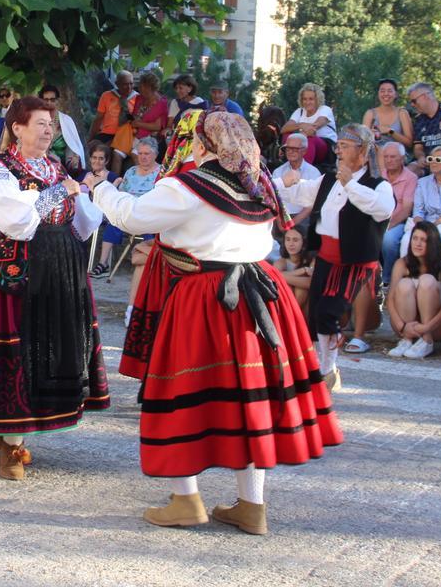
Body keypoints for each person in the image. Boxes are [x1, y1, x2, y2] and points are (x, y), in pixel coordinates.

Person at [87, 109, 341, 534]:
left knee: (181, 389)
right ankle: (252, 506)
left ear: (204, 144)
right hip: (260, 293)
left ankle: (186, 500)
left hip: (204, 294)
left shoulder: (188, 186)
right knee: (249, 399)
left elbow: (132, 217)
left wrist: (100, 189)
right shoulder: (258, 183)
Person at [0, 96, 108, 480]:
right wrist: (62, 192)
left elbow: (83, 220)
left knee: (47, 353)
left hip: (58, 267)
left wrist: (87, 195)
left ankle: (11, 434)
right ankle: (11, 445)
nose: (49, 130)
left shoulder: (56, 167)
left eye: (51, 124)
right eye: (40, 123)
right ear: (17, 128)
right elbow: (16, 220)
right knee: (17, 356)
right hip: (13, 275)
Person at [278, 124, 395, 376]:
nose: (338, 151)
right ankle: (322, 366)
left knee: (328, 311)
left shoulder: (379, 185)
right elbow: (300, 193)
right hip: (326, 257)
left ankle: (327, 369)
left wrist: (350, 184)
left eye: (344, 146)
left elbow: (383, 209)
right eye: (337, 146)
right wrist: (277, 184)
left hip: (355, 260)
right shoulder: (328, 179)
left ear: (362, 150)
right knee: (316, 314)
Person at [386, 221, 441, 360]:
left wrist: (427, 327)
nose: (417, 244)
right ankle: (406, 340)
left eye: (423, 240)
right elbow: (390, 299)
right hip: (405, 326)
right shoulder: (402, 263)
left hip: (436, 327)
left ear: (433, 243)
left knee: (427, 280)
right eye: (415, 238)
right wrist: (402, 326)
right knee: (404, 283)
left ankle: (426, 341)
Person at [91, 138, 159, 277]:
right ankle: (103, 264)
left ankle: (150, 264)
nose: (143, 157)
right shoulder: (131, 171)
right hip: (128, 210)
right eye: (140, 153)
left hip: (147, 211)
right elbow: (121, 192)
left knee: (148, 223)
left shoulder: (162, 172)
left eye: (146, 153)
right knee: (114, 220)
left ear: (155, 155)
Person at [400, 145, 441, 256]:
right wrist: (421, 225)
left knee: (430, 242)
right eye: (431, 159)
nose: (433, 162)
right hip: (424, 225)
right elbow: (418, 210)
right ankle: (407, 267)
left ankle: (429, 268)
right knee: (407, 239)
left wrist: (432, 227)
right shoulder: (422, 183)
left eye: (438, 160)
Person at [379, 142, 418, 286]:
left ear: (402, 159)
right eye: (386, 157)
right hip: (377, 219)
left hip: (398, 222)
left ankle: (387, 279)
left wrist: (387, 226)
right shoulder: (378, 175)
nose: (389, 160)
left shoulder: (411, 178)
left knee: (388, 240)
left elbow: (406, 210)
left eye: (393, 157)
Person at [271, 133, 320, 232]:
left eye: (295, 149)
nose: (290, 152)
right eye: (288, 149)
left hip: (303, 218)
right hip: (280, 217)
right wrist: (280, 223)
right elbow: (273, 199)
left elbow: (312, 204)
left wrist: (293, 222)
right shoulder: (278, 172)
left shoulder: (313, 173)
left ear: (304, 151)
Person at [281, 82, 337, 166]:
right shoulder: (299, 111)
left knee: (309, 138)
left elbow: (313, 129)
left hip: (325, 147)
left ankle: (304, 170)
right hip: (303, 144)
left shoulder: (325, 109)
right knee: (287, 134)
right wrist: (300, 125)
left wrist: (298, 138)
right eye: (305, 99)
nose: (307, 102)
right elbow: (284, 129)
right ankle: (289, 164)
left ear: (317, 99)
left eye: (311, 99)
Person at [90, 70, 134, 168]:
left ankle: (109, 176)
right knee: (90, 147)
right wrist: (91, 137)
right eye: (125, 84)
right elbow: (98, 118)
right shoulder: (106, 96)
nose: (129, 87)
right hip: (107, 133)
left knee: (106, 151)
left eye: (131, 84)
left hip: (125, 135)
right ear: (117, 84)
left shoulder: (137, 98)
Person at [38, 84, 85, 173]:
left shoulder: (66, 120)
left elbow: (74, 143)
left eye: (52, 100)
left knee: (75, 161)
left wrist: (76, 156)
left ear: (57, 100)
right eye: (46, 100)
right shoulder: (36, 119)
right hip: (43, 157)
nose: (49, 103)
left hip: (64, 159)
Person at [362, 78, 413, 148]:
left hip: (397, 153)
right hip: (375, 153)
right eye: (382, 91)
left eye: (390, 91)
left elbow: (409, 143)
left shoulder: (402, 113)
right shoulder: (370, 114)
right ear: (378, 94)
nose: (386, 94)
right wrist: (370, 136)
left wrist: (390, 131)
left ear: (396, 94)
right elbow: (363, 142)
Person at [129, 72, 169, 153]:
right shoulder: (139, 98)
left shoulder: (161, 104)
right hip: (133, 134)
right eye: (140, 86)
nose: (139, 88)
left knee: (135, 154)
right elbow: (135, 116)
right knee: (117, 153)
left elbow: (157, 127)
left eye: (142, 86)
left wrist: (138, 124)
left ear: (150, 87)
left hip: (150, 138)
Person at [277, 227, 315, 313]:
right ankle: (293, 315)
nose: (291, 244)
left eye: (295, 240)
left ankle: (292, 316)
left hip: (307, 305)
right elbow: (273, 277)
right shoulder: (281, 262)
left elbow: (310, 283)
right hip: (288, 305)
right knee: (290, 286)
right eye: (288, 239)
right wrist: (302, 270)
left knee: (301, 288)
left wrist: (280, 275)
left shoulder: (312, 260)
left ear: (303, 242)